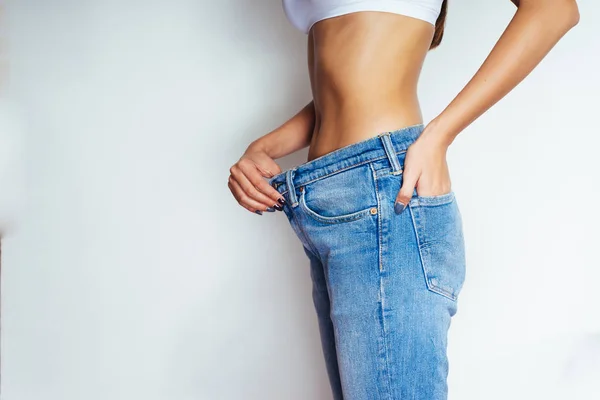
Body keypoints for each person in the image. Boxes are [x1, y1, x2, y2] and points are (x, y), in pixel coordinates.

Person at [227, 0, 580, 398]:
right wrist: (265, 146)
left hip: (387, 193)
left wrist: (440, 134)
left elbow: (554, 9)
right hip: (330, 198)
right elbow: (344, 82)